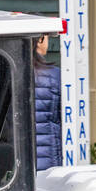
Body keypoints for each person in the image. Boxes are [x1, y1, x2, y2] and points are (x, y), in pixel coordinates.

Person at [33, 35, 61, 170]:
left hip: (13, 155)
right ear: (40, 39)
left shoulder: (6, 73)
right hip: (48, 154)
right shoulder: (55, 76)